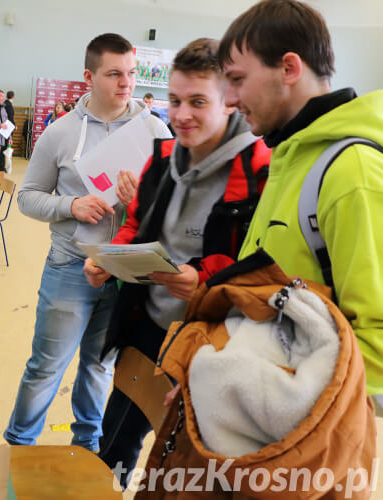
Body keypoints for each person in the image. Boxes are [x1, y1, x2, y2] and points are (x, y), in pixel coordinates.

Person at [84, 38, 271, 488]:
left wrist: (204, 279)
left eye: (197, 102)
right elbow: (137, 222)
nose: (181, 114)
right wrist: (112, 259)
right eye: (174, 100)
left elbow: (267, 268)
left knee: (192, 465)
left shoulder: (261, 170)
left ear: (229, 100)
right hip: (148, 330)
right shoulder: (164, 156)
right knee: (116, 445)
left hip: (213, 343)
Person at [4, 33, 171, 452]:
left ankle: (87, 449)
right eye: (114, 74)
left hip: (124, 271)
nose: (125, 83)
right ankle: (18, 446)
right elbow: (27, 197)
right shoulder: (61, 132)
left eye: (131, 73)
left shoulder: (155, 130)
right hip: (69, 267)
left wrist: (142, 202)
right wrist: (71, 205)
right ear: (88, 77)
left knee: (99, 367)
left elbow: (172, 203)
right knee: (47, 367)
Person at [218, 0, 383, 396]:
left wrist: (270, 397)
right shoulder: (288, 156)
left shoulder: (351, 171)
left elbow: (377, 347)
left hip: (299, 439)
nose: (227, 99)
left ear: (289, 68)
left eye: (237, 79)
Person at [0, 90, 17, 171]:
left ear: (6, 97)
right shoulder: (9, 105)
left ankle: (1, 166)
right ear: (13, 97)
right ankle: (1, 167)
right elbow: (10, 118)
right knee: (4, 149)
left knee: (3, 148)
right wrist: (14, 126)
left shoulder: (4, 104)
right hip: (7, 130)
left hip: (2, 128)